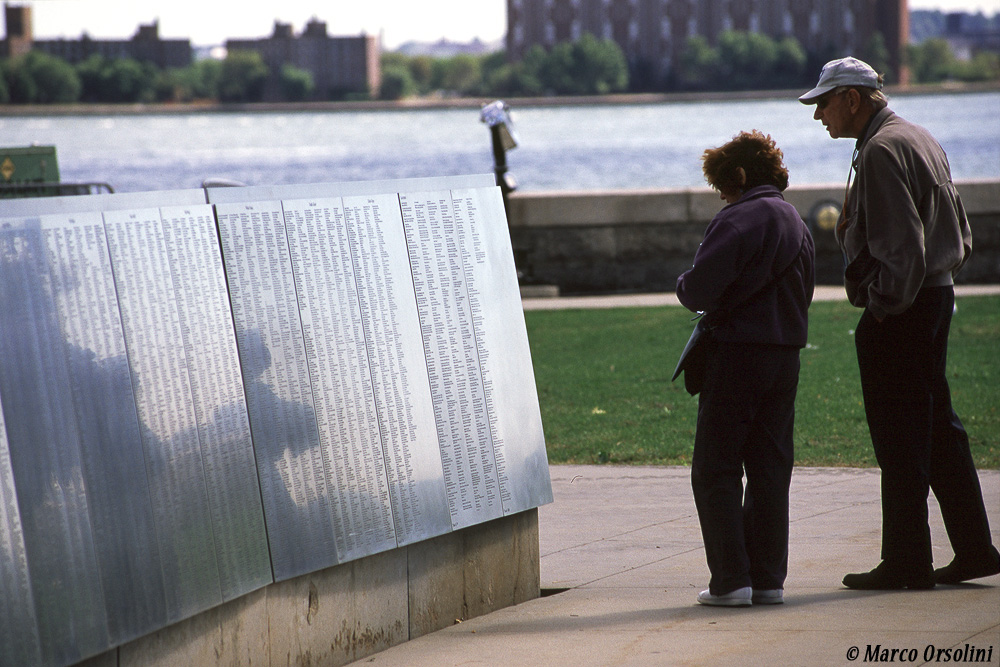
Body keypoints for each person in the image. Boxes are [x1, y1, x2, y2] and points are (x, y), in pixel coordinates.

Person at [800, 56, 1000, 590]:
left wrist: (882, 307)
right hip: (935, 299)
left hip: (904, 310)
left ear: (852, 99)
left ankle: (908, 561)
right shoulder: (918, 137)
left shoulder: (883, 150)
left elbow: (902, 252)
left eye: (824, 102)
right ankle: (975, 548)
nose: (818, 114)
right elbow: (959, 230)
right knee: (938, 431)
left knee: (900, 438)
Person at [676, 130, 815, 606]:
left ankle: (731, 581)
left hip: (737, 354)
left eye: (723, 185)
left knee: (715, 468)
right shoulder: (796, 221)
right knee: (770, 466)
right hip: (785, 355)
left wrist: (682, 283)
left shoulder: (737, 220)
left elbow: (699, 290)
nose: (722, 195)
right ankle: (768, 579)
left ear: (738, 176)